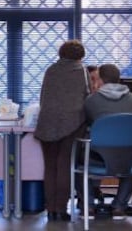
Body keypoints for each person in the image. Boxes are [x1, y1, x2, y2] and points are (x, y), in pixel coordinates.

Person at [34, 39, 90, 222]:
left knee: (49, 166)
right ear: (80, 56)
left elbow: (43, 98)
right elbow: (87, 98)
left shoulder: (51, 70)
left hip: (47, 122)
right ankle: (61, 209)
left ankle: (50, 210)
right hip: (72, 124)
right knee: (64, 165)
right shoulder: (82, 71)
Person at [81, 63, 132, 220]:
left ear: (100, 80)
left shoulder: (91, 100)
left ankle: (88, 205)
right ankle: (119, 206)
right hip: (126, 159)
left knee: (76, 157)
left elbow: (86, 124)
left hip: (98, 157)